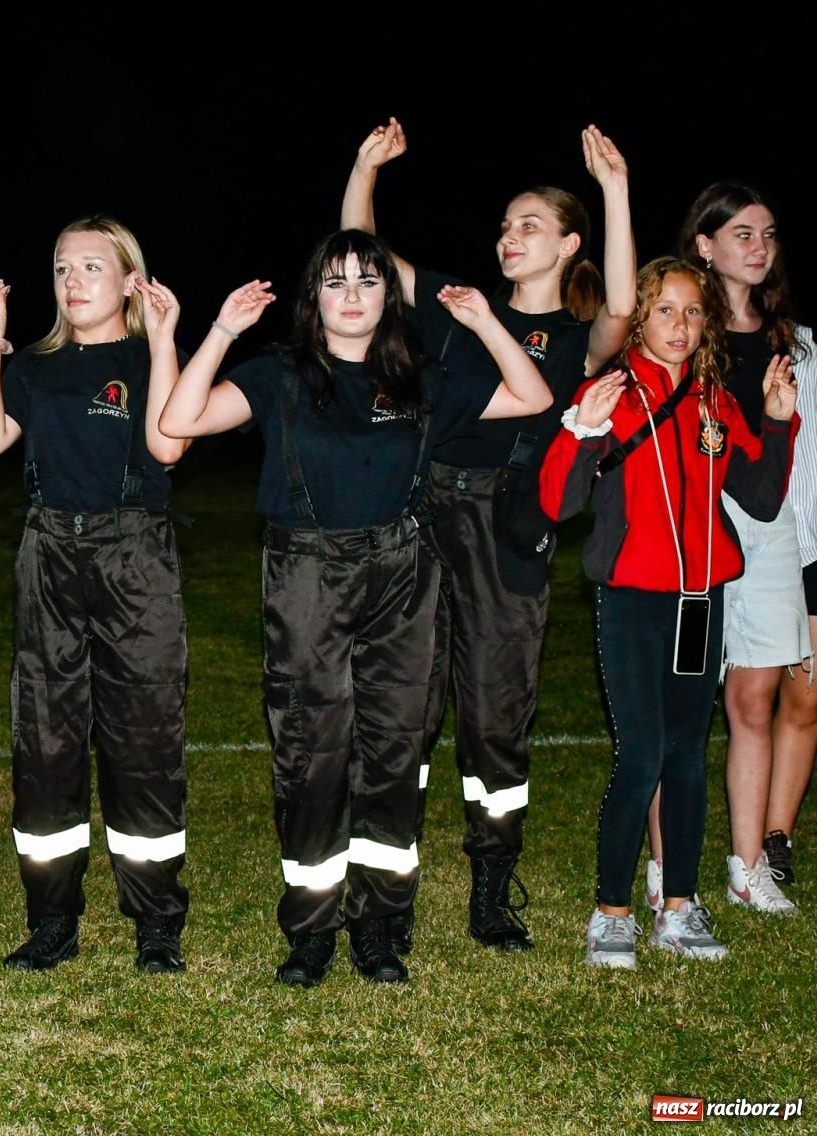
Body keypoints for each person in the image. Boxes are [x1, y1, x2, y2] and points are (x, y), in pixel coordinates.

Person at [159, 228, 552, 987]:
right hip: (307, 572)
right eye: (335, 282)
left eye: (367, 282)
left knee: (395, 752)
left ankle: (378, 925)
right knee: (311, 753)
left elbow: (533, 395)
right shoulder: (280, 374)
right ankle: (310, 931)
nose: (351, 296)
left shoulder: (419, 377)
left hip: (402, 574)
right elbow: (179, 420)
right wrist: (221, 331)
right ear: (314, 298)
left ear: (387, 298)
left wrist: (482, 322)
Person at [340, 119, 635, 952]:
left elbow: (620, 305)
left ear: (568, 243)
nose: (510, 236)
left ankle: (493, 888)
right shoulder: (455, 307)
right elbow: (364, 253)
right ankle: (383, 894)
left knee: (497, 715)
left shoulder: (581, 339)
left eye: (530, 225)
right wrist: (365, 167)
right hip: (427, 513)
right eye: (505, 225)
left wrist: (614, 188)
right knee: (404, 705)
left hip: (510, 527)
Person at [541, 256, 796, 968]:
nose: (679, 326)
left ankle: (678, 908)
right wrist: (579, 431)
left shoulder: (716, 402)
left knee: (687, 755)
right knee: (644, 752)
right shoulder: (610, 393)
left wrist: (778, 424)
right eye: (663, 311)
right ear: (638, 319)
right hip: (630, 602)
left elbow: (764, 496)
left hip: (700, 602)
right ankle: (611, 912)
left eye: (691, 312)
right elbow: (557, 504)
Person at [0, 215, 192, 974]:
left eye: (90, 267)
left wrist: (162, 341)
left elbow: (169, 442)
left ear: (130, 278)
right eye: (62, 267)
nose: (72, 282)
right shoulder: (34, 365)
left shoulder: (149, 353)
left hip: (135, 553)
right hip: (50, 553)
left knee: (145, 740)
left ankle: (156, 922)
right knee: (46, 739)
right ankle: (52, 920)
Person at [646, 182, 814, 916]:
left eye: (768, 234)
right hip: (688, 525)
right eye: (741, 233)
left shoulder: (792, 342)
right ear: (704, 244)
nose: (759, 246)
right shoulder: (680, 331)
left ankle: (748, 867)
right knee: (676, 703)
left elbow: (790, 464)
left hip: (768, 528)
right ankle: (661, 870)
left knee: (754, 698)